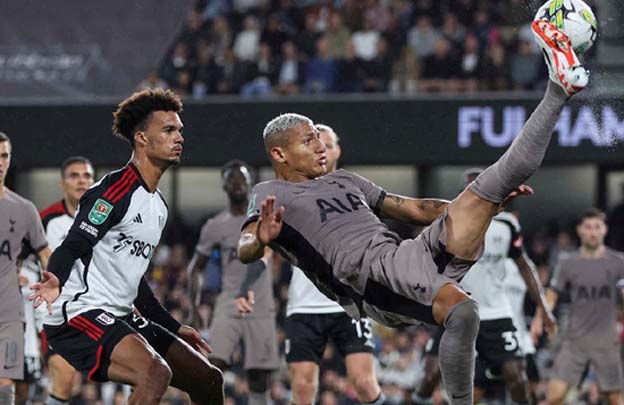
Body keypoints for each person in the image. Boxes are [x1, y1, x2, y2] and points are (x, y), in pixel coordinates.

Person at [238, 20, 588, 404]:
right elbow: (246, 245)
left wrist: (485, 204)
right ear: (279, 154)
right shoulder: (269, 192)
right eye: (310, 142)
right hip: (367, 275)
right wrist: (260, 240)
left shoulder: (346, 180)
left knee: (493, 182)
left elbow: (417, 209)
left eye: (321, 139)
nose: (322, 148)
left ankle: (558, 88)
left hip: (404, 255)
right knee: (464, 311)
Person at [30, 89, 224, 405]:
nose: (179, 138)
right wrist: (55, 277)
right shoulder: (114, 190)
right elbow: (75, 243)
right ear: (141, 138)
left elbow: (134, 282)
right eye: (168, 130)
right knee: (155, 373)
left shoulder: (158, 206)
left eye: (179, 131)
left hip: (121, 314)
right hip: (78, 312)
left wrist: (174, 327)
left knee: (208, 379)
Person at [413, 169, 556, 405]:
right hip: (455, 310)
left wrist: (544, 307)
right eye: (472, 190)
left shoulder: (507, 224)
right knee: (430, 376)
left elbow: (524, 265)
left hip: (495, 312)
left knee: (517, 377)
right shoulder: (448, 221)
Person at [280, 125, 384, 405]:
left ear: (337, 150)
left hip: (349, 302)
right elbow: (270, 240)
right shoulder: (294, 193)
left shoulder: (355, 191)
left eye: (326, 143)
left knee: (364, 382)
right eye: (314, 142)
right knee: (302, 387)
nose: (321, 148)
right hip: (304, 305)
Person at [188, 159, 279, 405]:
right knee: (212, 366)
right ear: (224, 185)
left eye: (241, 179)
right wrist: (195, 306)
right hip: (228, 300)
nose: (237, 184)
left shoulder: (264, 219)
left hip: (260, 302)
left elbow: (267, 256)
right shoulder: (215, 226)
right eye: (231, 179)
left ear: (251, 183)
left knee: (259, 376)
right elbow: (195, 268)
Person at [17, 156, 95, 405]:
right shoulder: (45, 220)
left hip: (92, 305)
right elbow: (13, 253)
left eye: (87, 176)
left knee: (68, 381)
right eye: (74, 175)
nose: (81, 181)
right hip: (51, 309)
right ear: (62, 183)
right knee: (62, 372)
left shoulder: (103, 219)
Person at [536, 208, 624, 405]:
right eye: (588, 227)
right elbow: (552, 293)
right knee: (554, 397)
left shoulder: (618, 261)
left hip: (606, 342)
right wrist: (541, 318)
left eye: (597, 227)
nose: (593, 232)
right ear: (580, 230)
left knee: (615, 400)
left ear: (604, 230)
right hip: (575, 341)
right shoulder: (567, 262)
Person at [0, 132, 51, 405]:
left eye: (4, 156)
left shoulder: (24, 209)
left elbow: (45, 253)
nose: (0, 162)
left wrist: (53, 281)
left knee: (8, 385)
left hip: (10, 313)